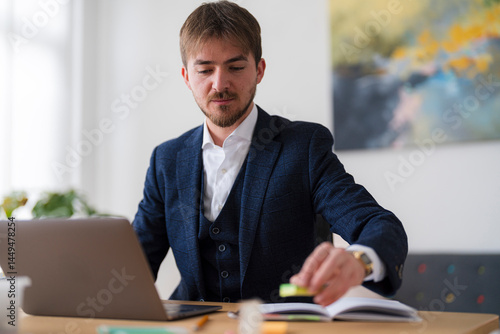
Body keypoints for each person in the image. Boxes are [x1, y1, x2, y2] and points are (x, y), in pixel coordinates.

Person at [133, 0, 407, 306]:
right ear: (186, 77)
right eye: (205, 70)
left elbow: (379, 224)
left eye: (235, 67)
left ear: (259, 70)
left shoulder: (304, 147)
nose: (219, 83)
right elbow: (132, 267)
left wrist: (360, 260)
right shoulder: (166, 161)